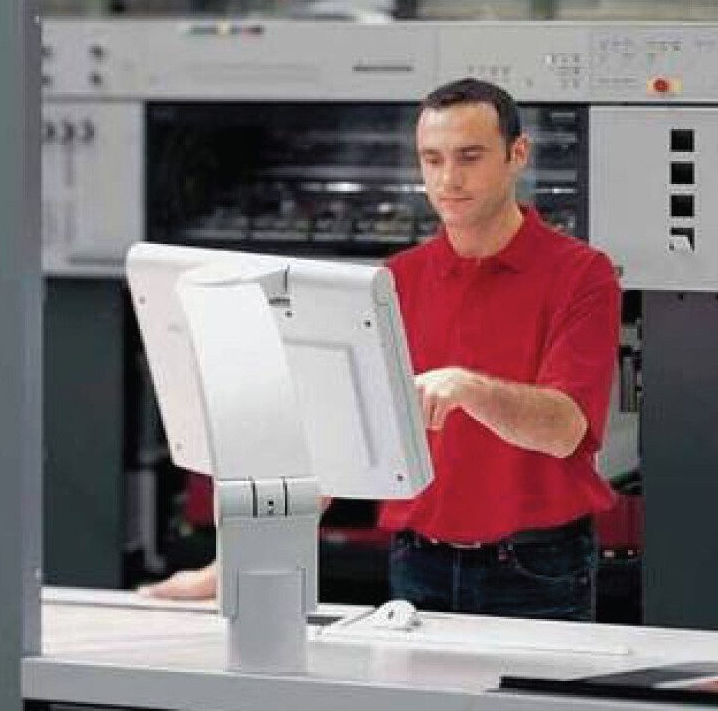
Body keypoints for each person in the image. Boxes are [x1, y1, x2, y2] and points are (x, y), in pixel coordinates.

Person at [142, 78, 621, 622]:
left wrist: (469, 388)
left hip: (538, 566)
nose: (448, 179)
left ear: (517, 155)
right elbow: (332, 442)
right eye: (432, 159)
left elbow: (565, 432)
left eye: (469, 157)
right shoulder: (394, 282)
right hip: (417, 563)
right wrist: (232, 564)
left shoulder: (582, 275)